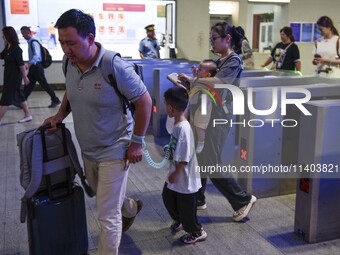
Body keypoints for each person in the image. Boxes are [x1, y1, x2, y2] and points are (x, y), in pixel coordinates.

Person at [43, 9, 152, 255]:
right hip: (88, 148)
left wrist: (136, 142)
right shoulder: (69, 63)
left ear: (90, 39)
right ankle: (130, 207)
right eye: (62, 43)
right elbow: (72, 90)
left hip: (116, 148)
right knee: (104, 197)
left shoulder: (113, 66)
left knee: (106, 215)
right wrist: (60, 114)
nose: (65, 49)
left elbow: (144, 101)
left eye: (71, 42)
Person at [178, 22, 256, 221]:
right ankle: (198, 197)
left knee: (211, 161)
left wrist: (194, 80)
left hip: (220, 116)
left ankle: (243, 200)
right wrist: (193, 80)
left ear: (227, 39)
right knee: (201, 155)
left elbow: (220, 83)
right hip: (210, 113)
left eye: (214, 38)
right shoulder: (219, 61)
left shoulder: (234, 61)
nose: (211, 42)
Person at [162, 86, 207, 244]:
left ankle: (197, 231)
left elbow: (185, 156)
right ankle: (180, 220)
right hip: (177, 175)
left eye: (165, 103)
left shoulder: (183, 128)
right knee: (167, 197)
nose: (164, 106)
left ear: (170, 107)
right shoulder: (177, 124)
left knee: (187, 209)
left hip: (185, 177)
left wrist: (176, 172)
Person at [20, 26, 61, 108]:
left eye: (23, 33)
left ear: (28, 32)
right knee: (29, 84)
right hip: (34, 67)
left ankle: (55, 99)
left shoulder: (34, 42)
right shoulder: (30, 42)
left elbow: (36, 56)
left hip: (36, 66)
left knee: (43, 84)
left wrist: (28, 64)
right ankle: (22, 101)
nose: (22, 36)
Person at [0, 26, 32, 125]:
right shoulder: (8, 47)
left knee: (5, 98)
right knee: (19, 95)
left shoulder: (16, 49)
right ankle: (28, 115)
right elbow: (2, 56)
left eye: (4, 35)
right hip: (8, 75)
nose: (2, 37)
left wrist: (25, 77)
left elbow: (21, 65)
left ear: (8, 35)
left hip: (14, 77)